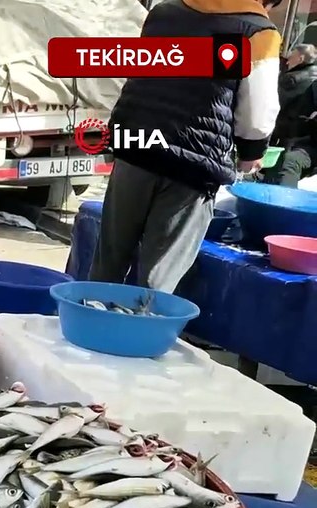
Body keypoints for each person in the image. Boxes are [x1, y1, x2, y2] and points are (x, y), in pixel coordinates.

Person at [89, 0, 282, 293]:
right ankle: (140, 333)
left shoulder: (164, 12)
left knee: (109, 260)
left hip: (136, 146)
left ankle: (87, 329)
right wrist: (251, 153)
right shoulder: (259, 33)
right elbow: (257, 110)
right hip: (191, 167)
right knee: (158, 275)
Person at [263, 44, 317, 187]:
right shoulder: (314, 78)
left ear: (300, 58)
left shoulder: (291, 79)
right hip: (304, 137)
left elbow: (272, 108)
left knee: (285, 162)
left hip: (290, 136)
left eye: (291, 58)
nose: (287, 62)